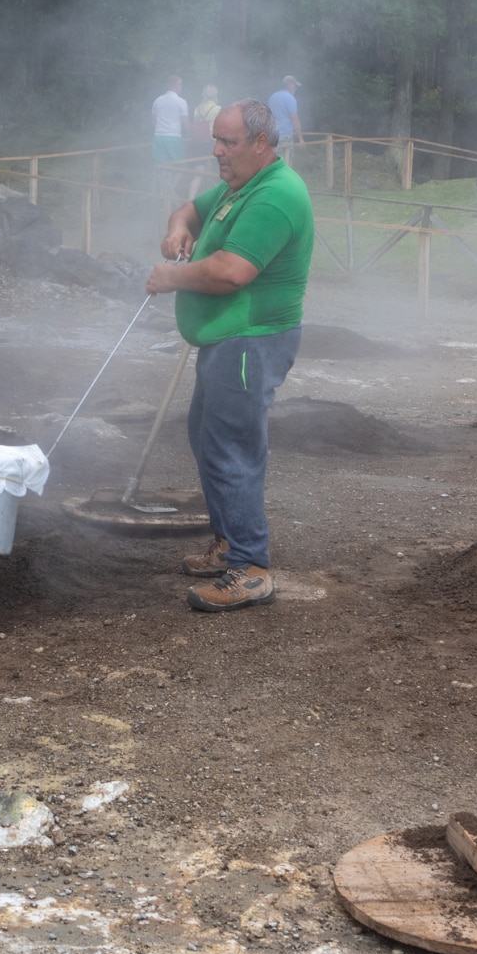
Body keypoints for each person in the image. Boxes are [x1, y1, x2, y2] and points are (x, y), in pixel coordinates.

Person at [146, 99, 314, 612]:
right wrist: (179, 228)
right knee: (206, 435)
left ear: (261, 143)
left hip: (252, 341)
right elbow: (189, 209)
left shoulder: (275, 196)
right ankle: (226, 545)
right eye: (215, 141)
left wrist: (171, 276)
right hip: (227, 341)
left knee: (232, 449)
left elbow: (231, 272)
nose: (217, 151)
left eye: (228, 142)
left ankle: (251, 567)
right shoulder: (241, 185)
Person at [187, 83, 221, 199]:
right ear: (215, 94)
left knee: (198, 174)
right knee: (216, 174)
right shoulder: (217, 109)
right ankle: (215, 199)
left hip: (198, 143)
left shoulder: (198, 108)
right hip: (211, 143)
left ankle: (190, 199)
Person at [150, 77, 190, 168]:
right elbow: (185, 123)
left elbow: (153, 123)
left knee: (162, 165)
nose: (181, 87)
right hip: (174, 136)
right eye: (180, 84)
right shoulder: (181, 102)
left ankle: (166, 182)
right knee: (181, 164)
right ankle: (173, 183)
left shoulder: (157, 100)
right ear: (176, 86)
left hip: (159, 136)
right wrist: (189, 134)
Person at [269, 75, 304, 158]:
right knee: (287, 162)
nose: (296, 88)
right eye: (295, 86)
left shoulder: (272, 97)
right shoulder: (290, 98)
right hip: (285, 135)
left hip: (273, 135)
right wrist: (301, 139)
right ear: (290, 85)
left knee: (274, 161)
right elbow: (294, 119)